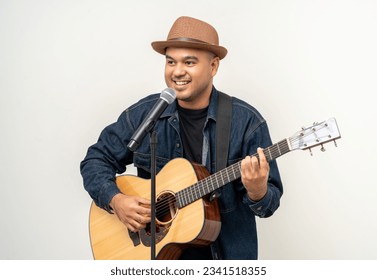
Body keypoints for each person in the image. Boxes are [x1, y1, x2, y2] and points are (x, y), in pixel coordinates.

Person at [80, 16, 283, 260]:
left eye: (189, 62)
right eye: (170, 62)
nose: (177, 72)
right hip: (155, 258)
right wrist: (116, 200)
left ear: (213, 66)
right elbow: (96, 159)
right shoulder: (146, 114)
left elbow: (268, 205)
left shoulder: (247, 122)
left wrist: (258, 190)